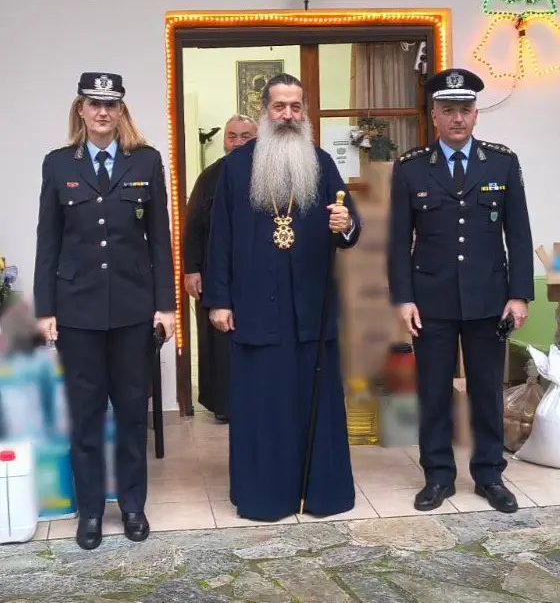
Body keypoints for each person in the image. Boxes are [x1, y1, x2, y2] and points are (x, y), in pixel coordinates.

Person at [202, 73, 360, 521]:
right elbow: (220, 238)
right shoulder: (237, 167)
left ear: (303, 112)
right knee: (263, 405)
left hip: (310, 308)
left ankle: (321, 493)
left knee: (314, 401)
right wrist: (219, 300)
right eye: (279, 107)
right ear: (265, 111)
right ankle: (266, 496)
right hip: (255, 307)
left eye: (295, 107)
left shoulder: (321, 162)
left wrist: (345, 224)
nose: (288, 115)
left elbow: (349, 224)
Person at [33, 72, 176, 550]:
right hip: (77, 313)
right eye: (93, 103)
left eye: (110, 104)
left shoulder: (146, 161)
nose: (102, 112)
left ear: (121, 111)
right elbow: (48, 243)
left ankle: (133, 506)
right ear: (81, 108)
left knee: (133, 413)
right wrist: (45, 310)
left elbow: (160, 240)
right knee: (86, 416)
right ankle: (91, 512)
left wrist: (165, 306)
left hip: (133, 311)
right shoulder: (58, 164)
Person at [387, 67, 534, 514]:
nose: (457, 118)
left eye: (465, 110)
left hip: (489, 299)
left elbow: (519, 235)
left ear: (475, 115)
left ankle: (489, 475)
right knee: (433, 391)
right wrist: (403, 298)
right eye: (448, 110)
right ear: (434, 115)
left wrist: (519, 294)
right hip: (430, 300)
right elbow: (397, 239)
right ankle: (438, 476)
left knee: (486, 390)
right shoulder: (411, 168)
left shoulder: (501, 163)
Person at [183, 114, 257, 422]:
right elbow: (192, 227)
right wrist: (191, 269)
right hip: (215, 273)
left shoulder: (269, 175)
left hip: (256, 275)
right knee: (219, 341)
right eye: (232, 136)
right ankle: (224, 405)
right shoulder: (210, 176)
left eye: (245, 136)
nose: (238, 142)